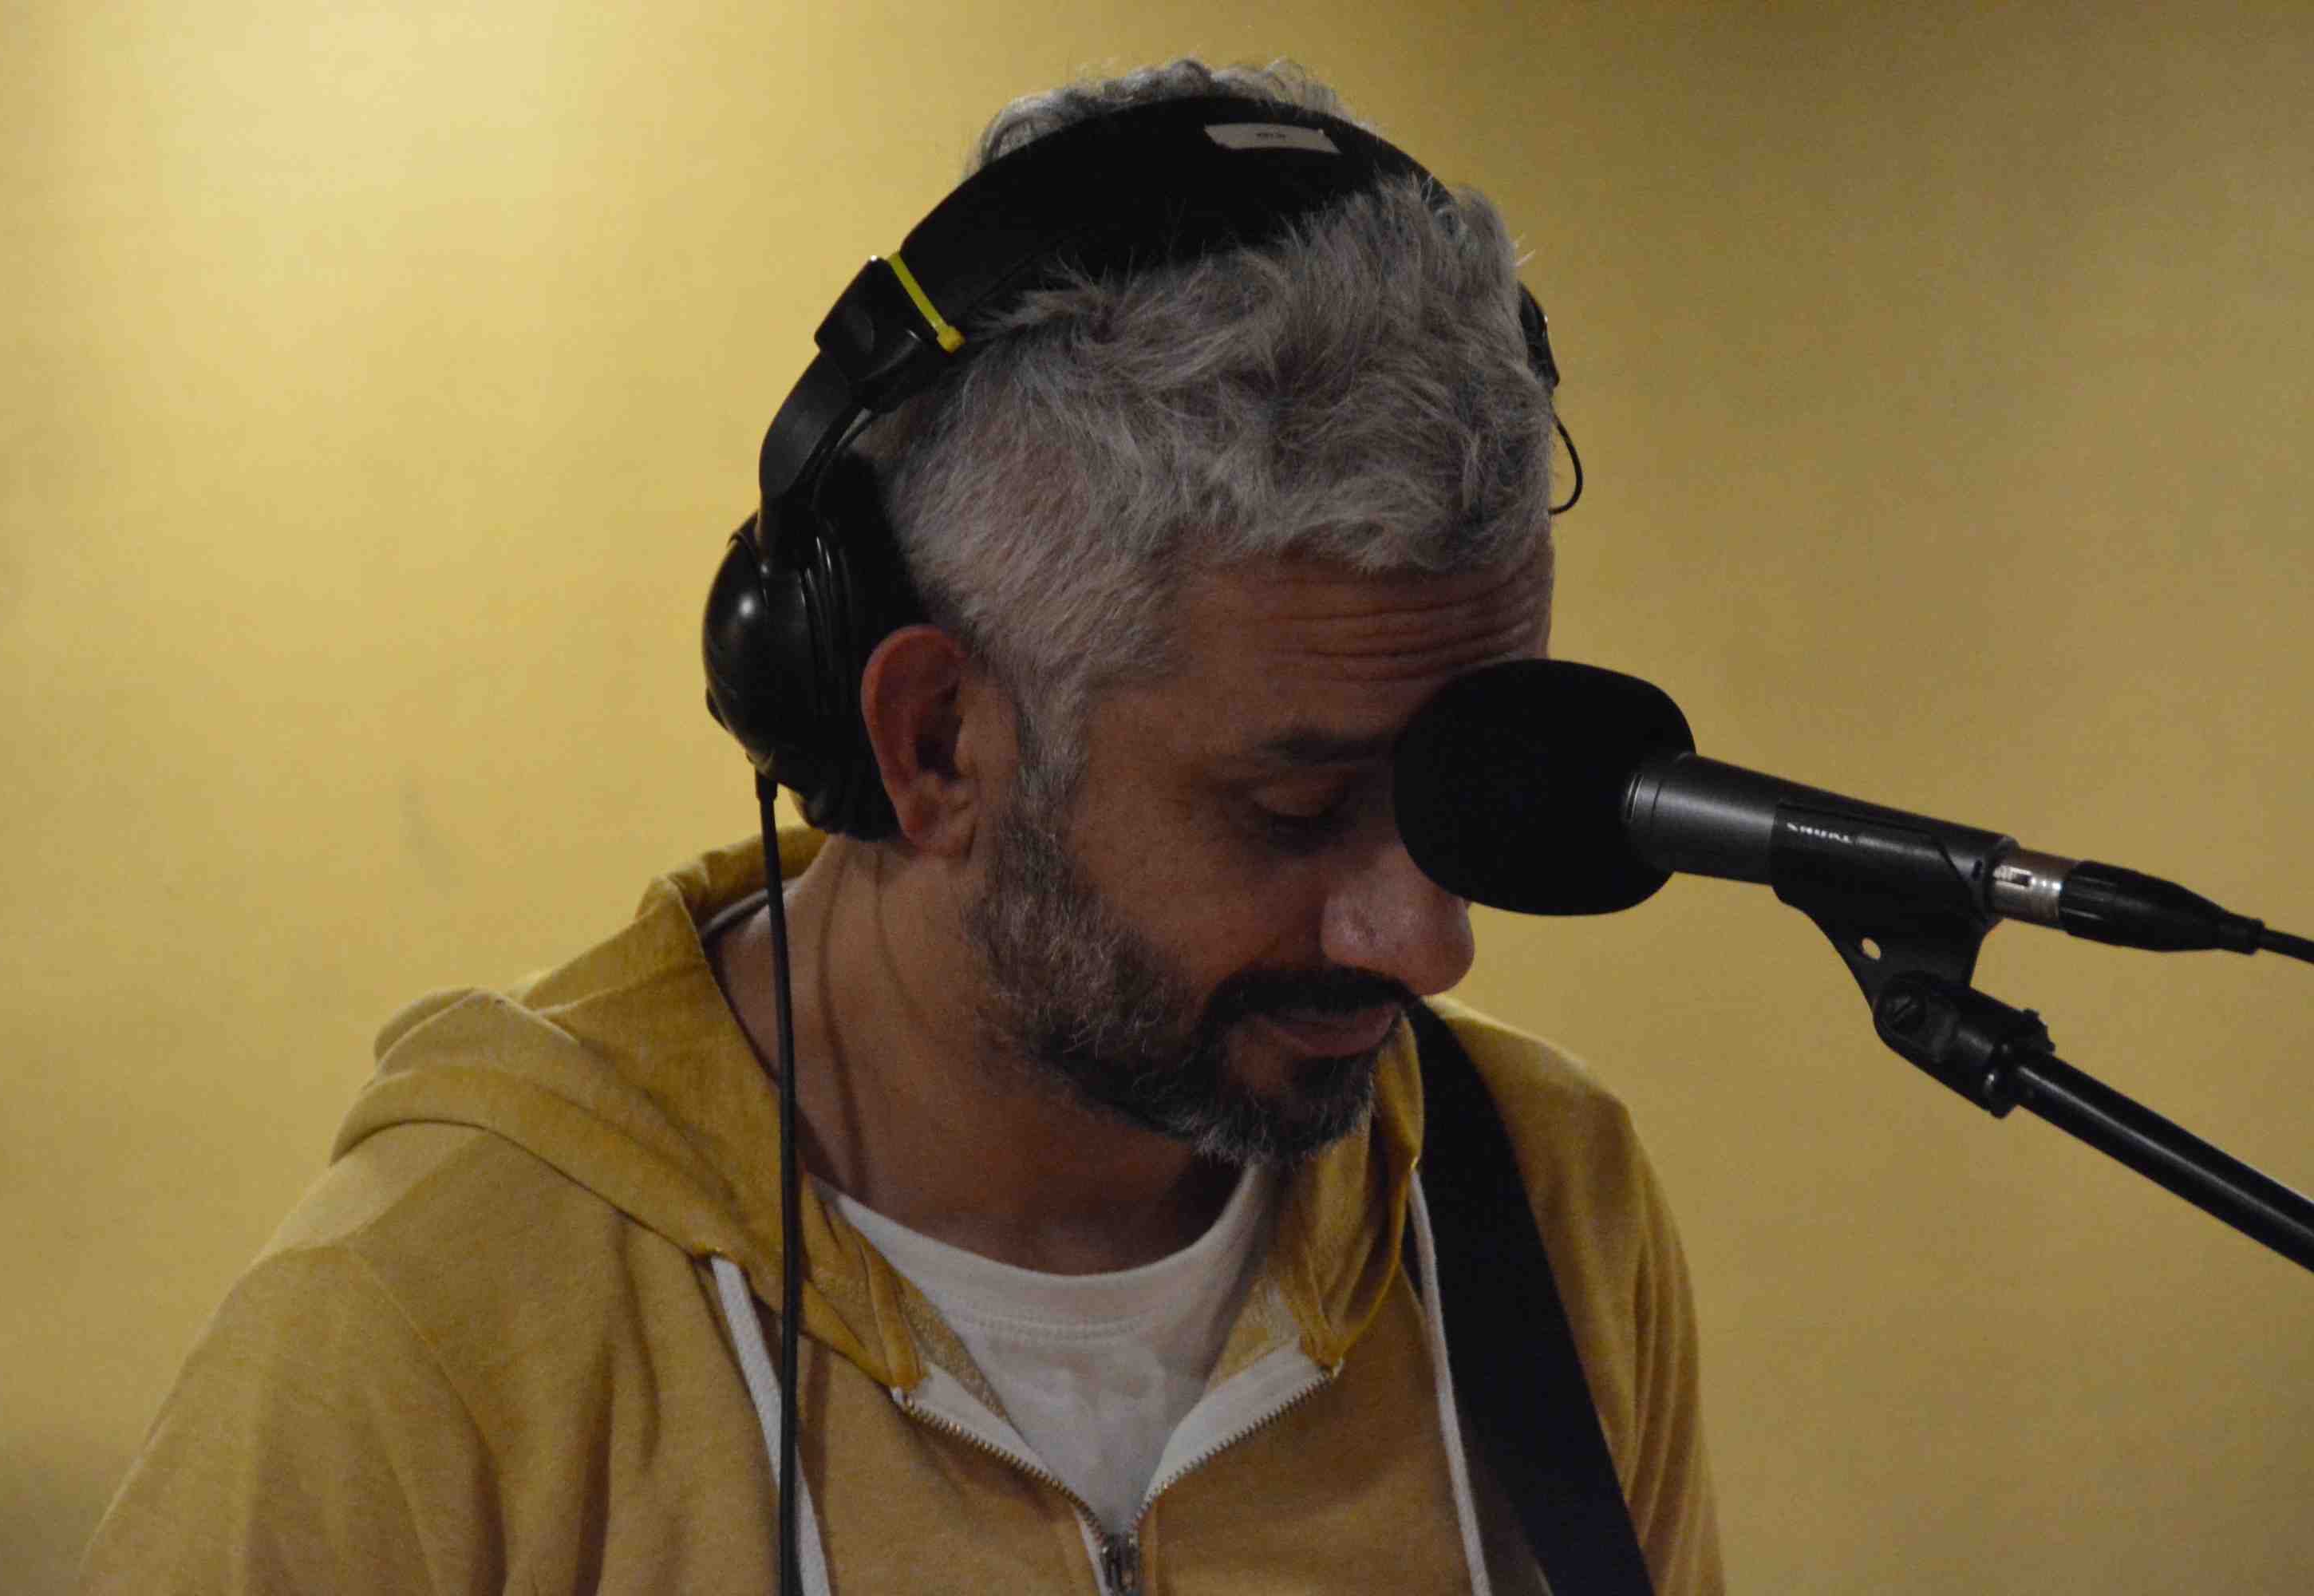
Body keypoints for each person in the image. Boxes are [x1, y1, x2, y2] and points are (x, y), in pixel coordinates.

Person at [85, 60, 1723, 1594]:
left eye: (1454, 790)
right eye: (1294, 810)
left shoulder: (1542, 1202)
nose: (1428, 939)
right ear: (934, 742)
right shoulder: (424, 1335)